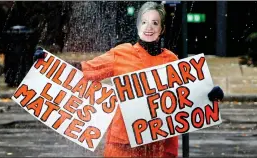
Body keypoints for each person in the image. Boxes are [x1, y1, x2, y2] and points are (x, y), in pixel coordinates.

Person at [34, 2, 224, 157]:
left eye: (155, 23)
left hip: (157, 146)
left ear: (162, 29)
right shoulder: (121, 53)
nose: (149, 27)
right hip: (122, 146)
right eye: (144, 22)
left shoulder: (171, 60)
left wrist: (209, 95)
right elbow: (84, 71)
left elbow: (184, 99)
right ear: (138, 26)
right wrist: (49, 62)